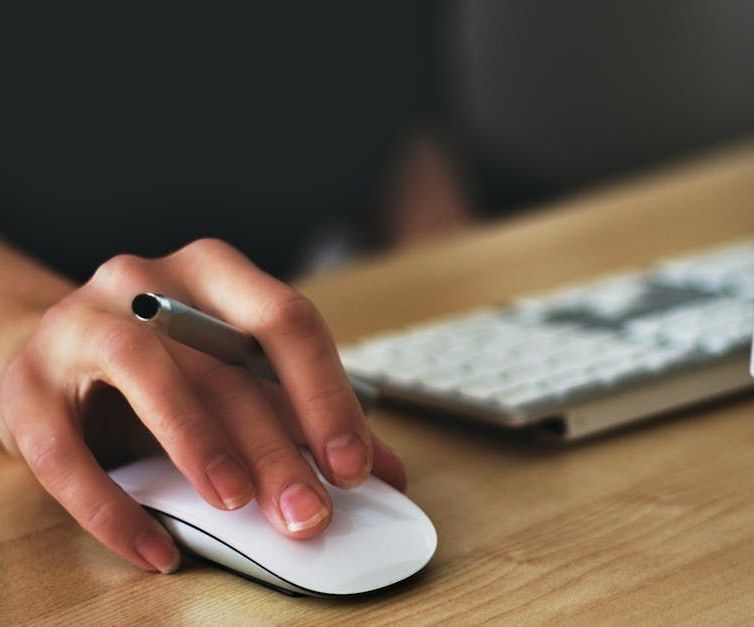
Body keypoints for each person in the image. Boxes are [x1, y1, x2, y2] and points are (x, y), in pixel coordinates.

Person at [0, 3, 453, 575]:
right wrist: (27, 330)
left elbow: (413, 129)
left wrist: (453, 311)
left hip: (283, 345)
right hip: (69, 321)